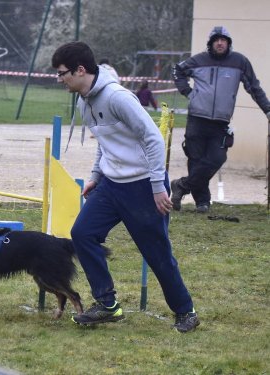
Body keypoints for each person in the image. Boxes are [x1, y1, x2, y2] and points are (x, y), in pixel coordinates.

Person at [52, 41, 199, 333]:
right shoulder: (84, 101)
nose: (60, 79)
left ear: (81, 70)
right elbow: (104, 142)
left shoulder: (118, 98)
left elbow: (153, 140)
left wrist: (158, 186)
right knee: (83, 233)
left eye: (63, 73)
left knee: (157, 254)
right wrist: (96, 175)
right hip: (110, 185)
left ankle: (186, 311)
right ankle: (107, 305)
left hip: (143, 186)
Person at [172, 26, 270, 213]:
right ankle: (202, 202)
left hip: (220, 122)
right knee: (196, 160)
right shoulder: (199, 60)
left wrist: (267, 110)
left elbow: (254, 88)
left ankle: (181, 186)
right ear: (210, 43)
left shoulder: (239, 62)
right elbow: (177, 70)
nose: (219, 42)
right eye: (216, 40)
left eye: (223, 39)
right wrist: (188, 92)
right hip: (197, 119)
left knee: (216, 158)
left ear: (228, 43)